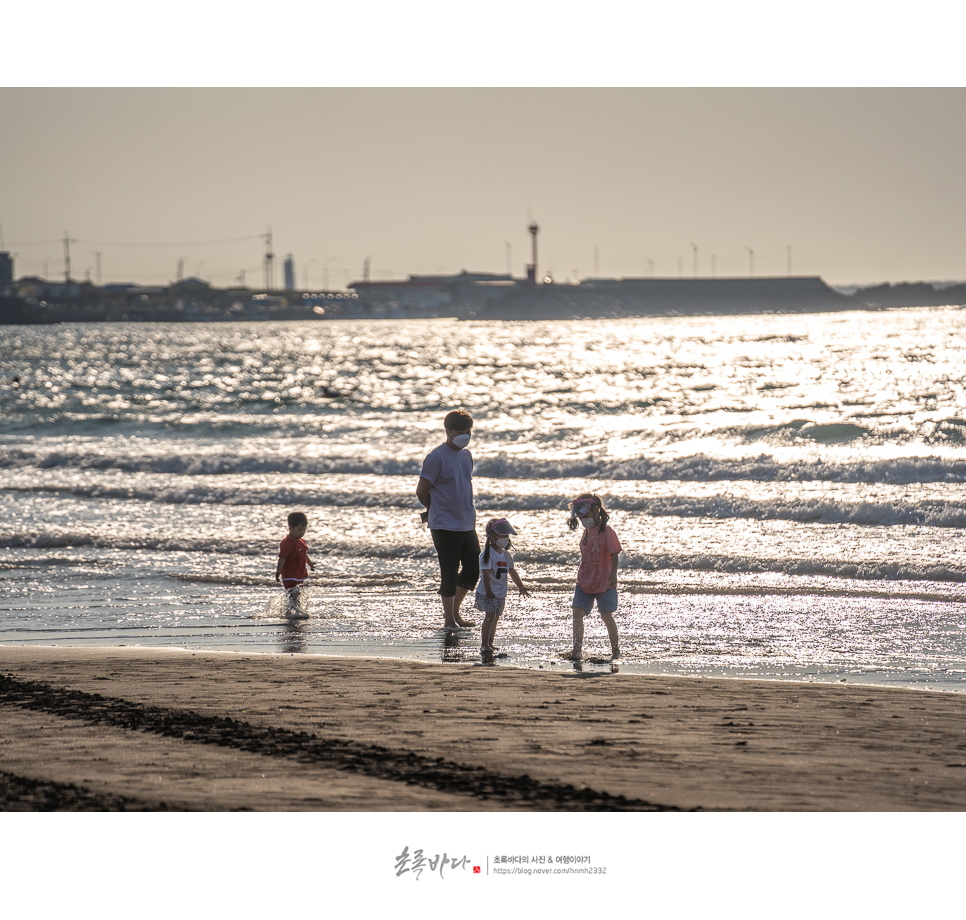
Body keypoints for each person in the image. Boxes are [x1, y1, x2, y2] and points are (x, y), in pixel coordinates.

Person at [416, 408, 479, 629]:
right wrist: (434, 508)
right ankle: (449, 621)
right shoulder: (436, 457)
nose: (465, 434)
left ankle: (455, 613)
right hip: (443, 524)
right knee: (449, 571)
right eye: (459, 430)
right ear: (448, 431)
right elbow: (422, 491)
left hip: (466, 522)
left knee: (473, 569)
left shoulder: (466, 455)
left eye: (468, 430)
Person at [565, 493, 622, 660]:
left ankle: (615, 650)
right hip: (585, 582)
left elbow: (615, 554)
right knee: (577, 613)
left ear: (596, 511)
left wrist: (613, 574)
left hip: (604, 581)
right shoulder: (586, 534)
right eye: (581, 517)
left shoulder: (606, 531)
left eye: (586, 516)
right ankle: (576, 650)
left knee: (606, 615)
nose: (584, 520)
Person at [475, 517, 532, 655]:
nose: (505, 538)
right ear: (493, 536)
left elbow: (512, 571)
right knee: (489, 617)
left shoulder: (505, 554)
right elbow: (486, 575)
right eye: (503, 535)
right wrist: (488, 591)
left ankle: (490, 643)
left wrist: (521, 587)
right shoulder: (486, 554)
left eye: (507, 535)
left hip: (500, 593)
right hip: (488, 592)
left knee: (495, 618)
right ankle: (484, 644)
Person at [275, 511, 315, 609]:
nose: (302, 533)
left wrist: (310, 565)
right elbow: (282, 558)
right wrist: (278, 571)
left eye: (304, 530)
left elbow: (304, 555)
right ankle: (291, 610)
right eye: (299, 530)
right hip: (289, 575)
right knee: (292, 595)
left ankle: (295, 609)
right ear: (291, 528)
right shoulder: (286, 543)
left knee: (299, 594)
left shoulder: (302, 542)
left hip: (300, 574)